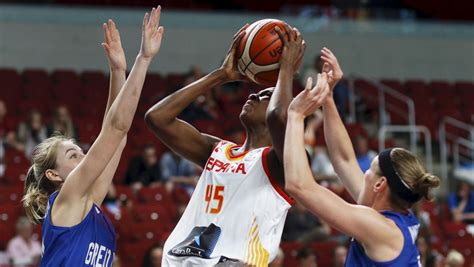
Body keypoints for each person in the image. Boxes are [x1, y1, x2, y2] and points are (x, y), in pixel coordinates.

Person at [145, 23, 304, 266]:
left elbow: (279, 116)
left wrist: (286, 70)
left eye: (265, 96)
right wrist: (220, 75)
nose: (253, 95)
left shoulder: (281, 163)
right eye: (257, 93)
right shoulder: (217, 151)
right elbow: (157, 118)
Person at [21, 7, 164, 266]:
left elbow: (117, 139)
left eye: (80, 150)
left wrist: (118, 71)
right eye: (72, 155)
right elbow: (115, 128)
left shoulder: (87, 203)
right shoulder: (68, 197)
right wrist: (143, 59)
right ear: (54, 175)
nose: (84, 155)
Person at [283, 47, 440, 266]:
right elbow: (344, 160)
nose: (363, 173)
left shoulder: (379, 227)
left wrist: (296, 115)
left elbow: (299, 186)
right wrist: (327, 98)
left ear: (380, 184)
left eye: (369, 170)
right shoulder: (390, 213)